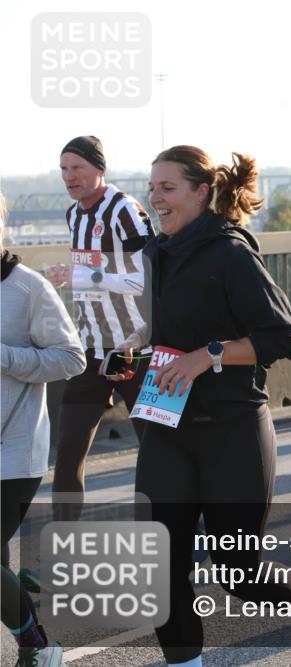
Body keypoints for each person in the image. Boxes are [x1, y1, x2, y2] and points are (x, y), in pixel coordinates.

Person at [136, 145, 291, 667]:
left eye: (167, 188)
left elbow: (285, 337)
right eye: (151, 187)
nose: (155, 198)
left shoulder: (230, 253)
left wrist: (207, 357)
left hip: (233, 431)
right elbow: (143, 328)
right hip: (167, 429)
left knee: (237, 569)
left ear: (201, 192)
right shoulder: (150, 256)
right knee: (160, 565)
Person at [46, 136, 156, 516]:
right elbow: (91, 272)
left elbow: (144, 278)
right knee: (68, 449)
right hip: (91, 349)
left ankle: (183, 536)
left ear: (99, 169)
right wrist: (71, 277)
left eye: (77, 168)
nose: (69, 176)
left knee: (158, 450)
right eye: (64, 169)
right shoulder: (74, 214)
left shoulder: (125, 209)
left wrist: (82, 277)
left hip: (133, 348)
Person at [1, 195, 87, 667]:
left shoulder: (26, 288)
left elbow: (71, 358)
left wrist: (6, 356)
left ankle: (36, 644)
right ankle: (35, 647)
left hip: (11, 451)